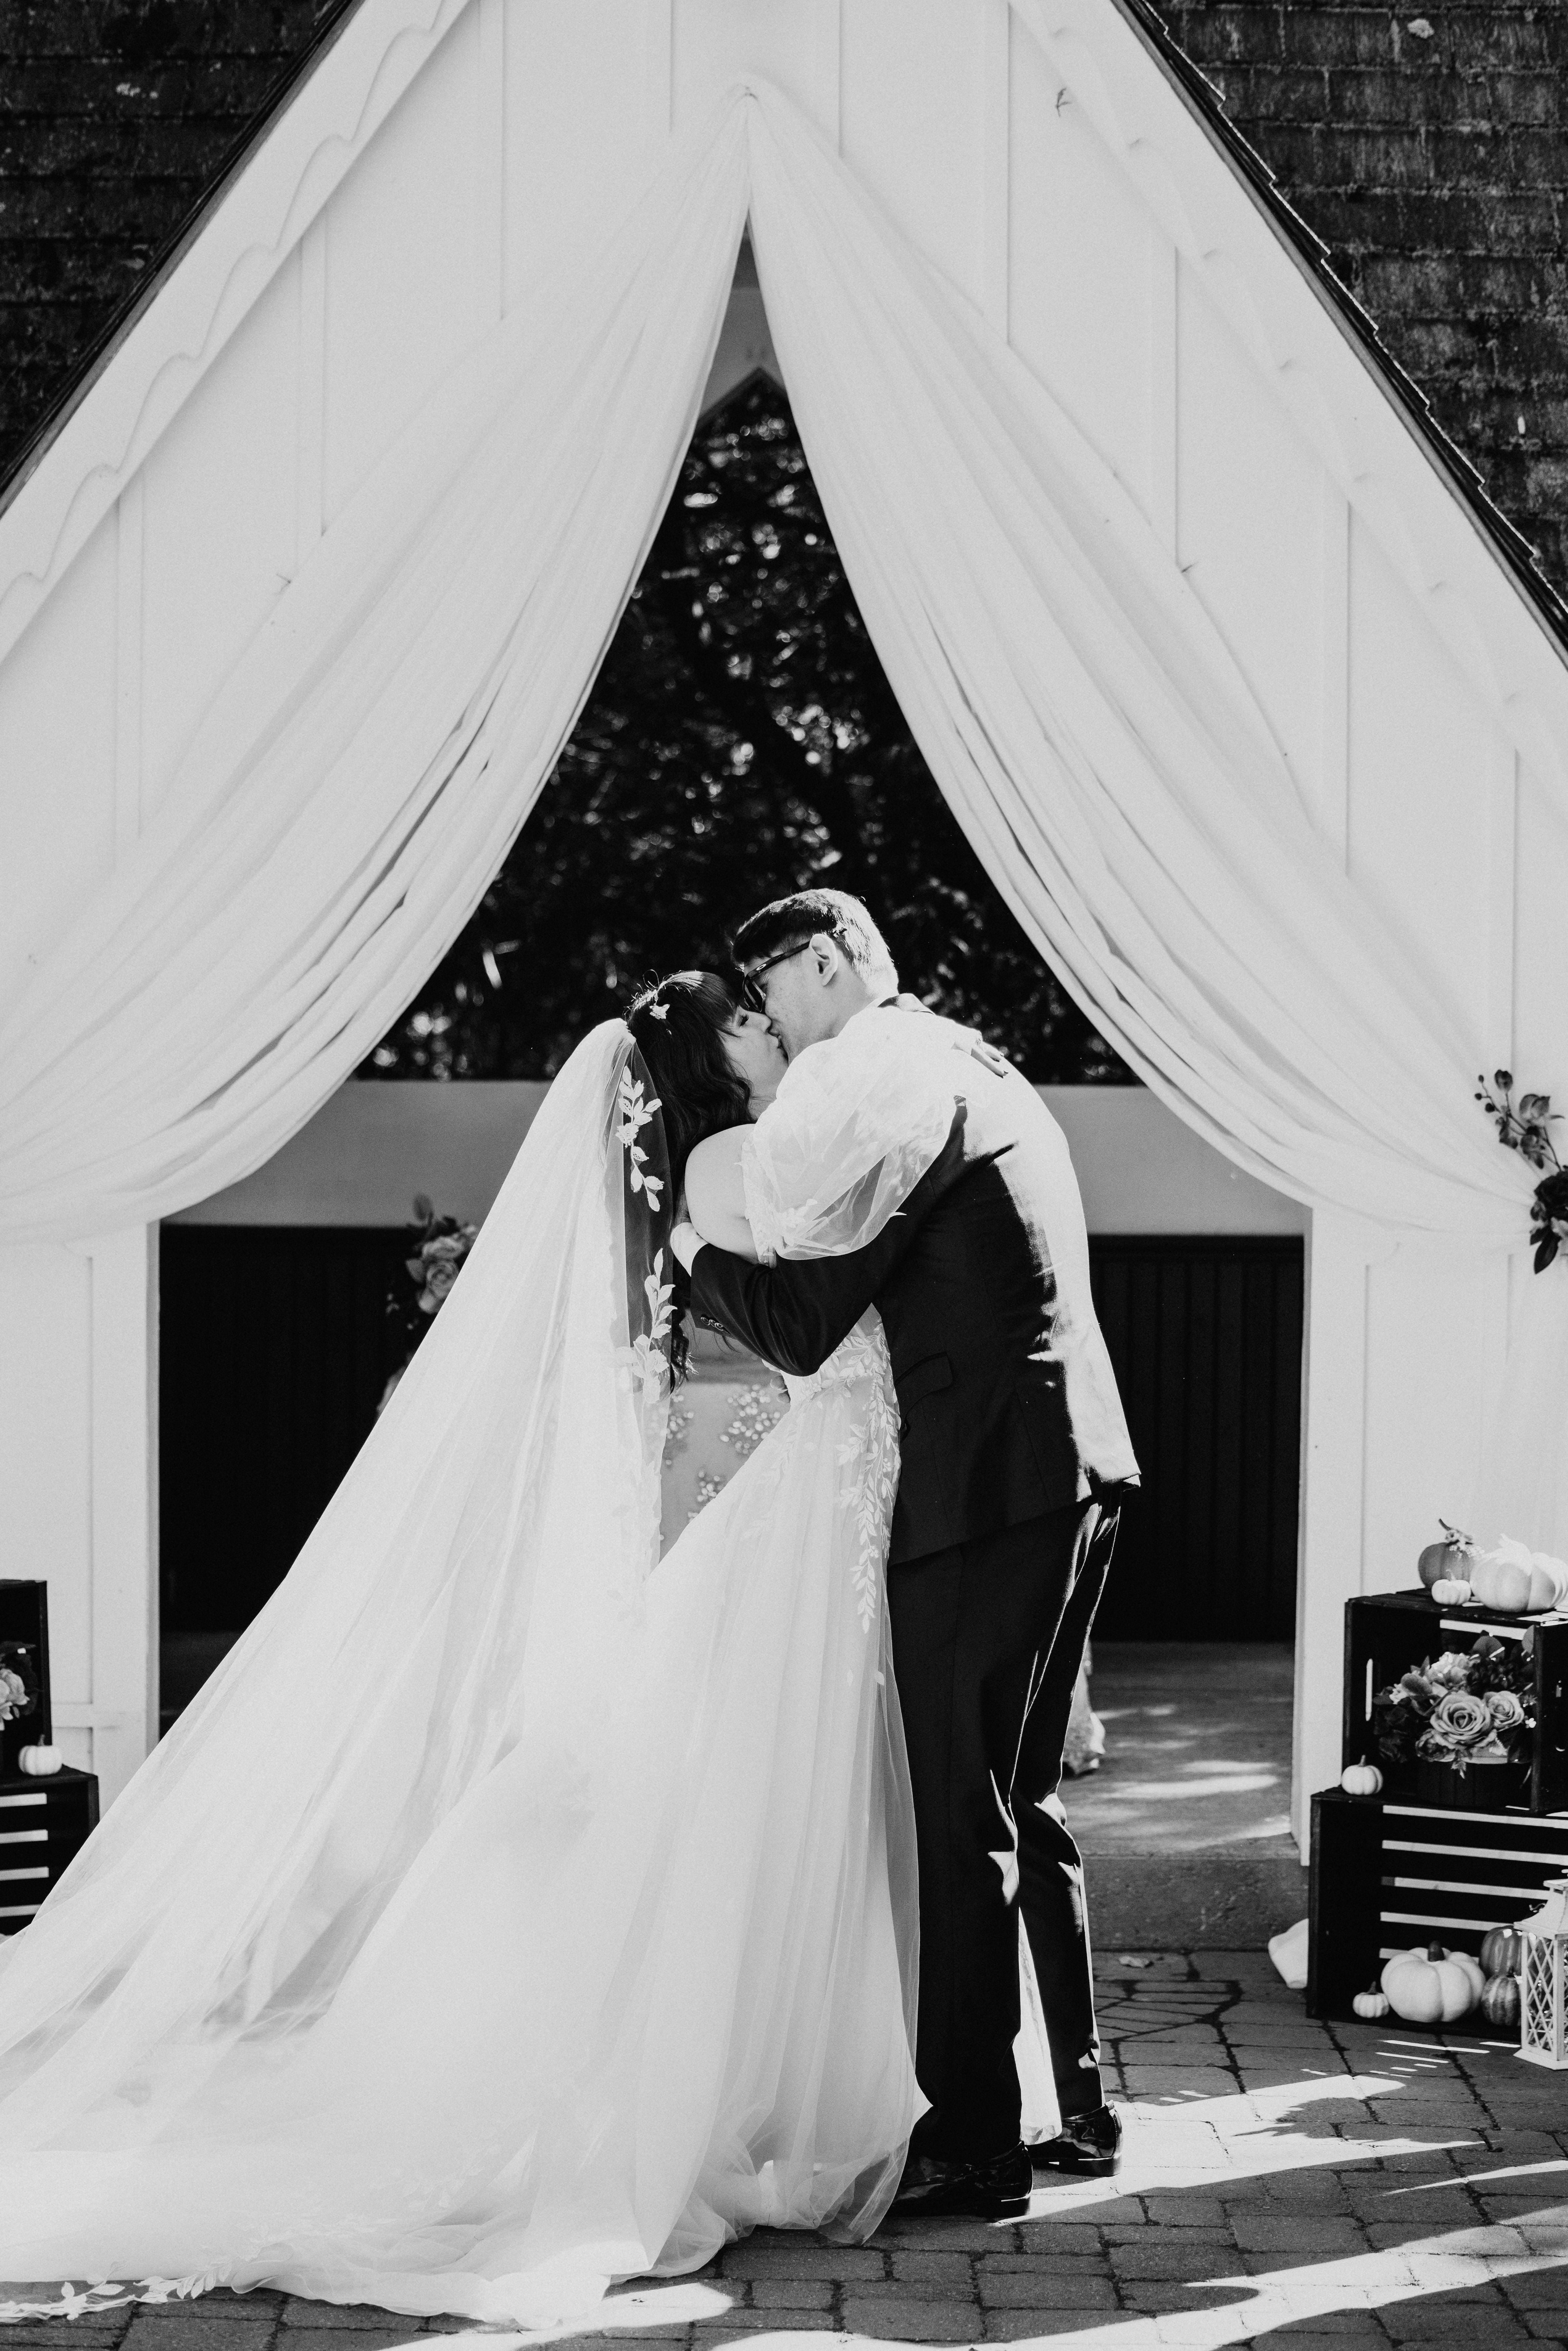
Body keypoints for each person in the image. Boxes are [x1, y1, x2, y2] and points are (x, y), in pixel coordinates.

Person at [0, 977, 951, 2325]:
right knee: (717, 1782)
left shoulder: (728, 1161)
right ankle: (700, 2082)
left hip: (773, 1482)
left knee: (710, 1782)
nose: (767, 1027)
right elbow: (793, 1320)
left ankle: (730, 2069)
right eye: (743, 1016)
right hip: (775, 1482)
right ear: (704, 1058)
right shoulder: (737, 1160)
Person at [673, 889, 1139, 2218]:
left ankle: (977, 2142)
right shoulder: (961, 1055)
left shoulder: (879, 1076)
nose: (768, 1021)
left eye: (770, 988)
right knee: (1021, 1797)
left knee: (958, 1815)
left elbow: (805, 1321)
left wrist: (692, 1248)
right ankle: (1078, 2104)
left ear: (827, 962)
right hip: (1074, 1466)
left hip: (982, 1490)